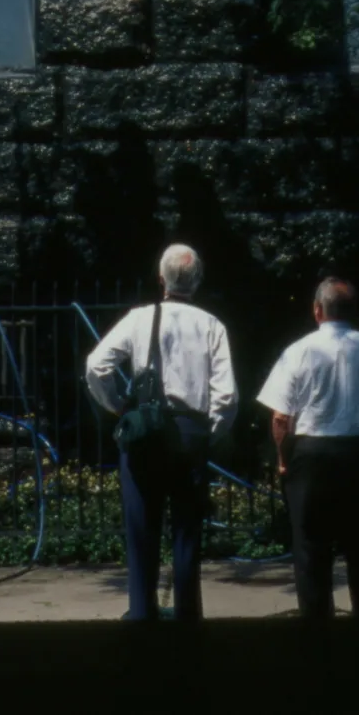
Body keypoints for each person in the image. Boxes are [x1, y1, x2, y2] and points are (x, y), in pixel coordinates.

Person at [86, 245, 237, 621]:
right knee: (187, 531)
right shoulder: (211, 325)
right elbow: (227, 395)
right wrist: (209, 432)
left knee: (141, 530)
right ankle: (188, 615)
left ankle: (142, 613)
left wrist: (118, 406)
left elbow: (95, 365)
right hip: (190, 432)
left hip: (145, 432)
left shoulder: (139, 319)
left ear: (160, 279)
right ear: (197, 281)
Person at [257, 278, 359, 620]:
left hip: (313, 456)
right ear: (354, 311)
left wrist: (282, 459)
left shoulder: (298, 351)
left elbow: (280, 418)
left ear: (317, 310)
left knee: (311, 550)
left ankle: (317, 628)